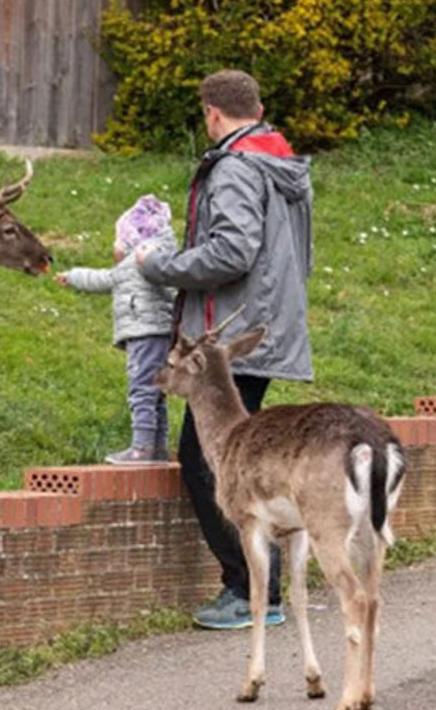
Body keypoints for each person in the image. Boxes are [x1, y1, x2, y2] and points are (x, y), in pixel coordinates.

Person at [136, 69, 314, 630]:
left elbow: (232, 251)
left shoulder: (237, 167)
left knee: (205, 461)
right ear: (256, 108)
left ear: (213, 113)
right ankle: (264, 587)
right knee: (246, 462)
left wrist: (158, 265)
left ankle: (248, 590)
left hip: (232, 337)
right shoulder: (281, 162)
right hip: (268, 325)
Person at [56, 195, 178, 465]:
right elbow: (105, 278)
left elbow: (106, 279)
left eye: (119, 239)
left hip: (145, 333)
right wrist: (74, 276)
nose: (116, 246)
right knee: (155, 391)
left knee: (142, 389)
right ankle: (157, 447)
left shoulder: (144, 262)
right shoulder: (144, 262)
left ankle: (142, 448)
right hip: (155, 332)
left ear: (134, 239)